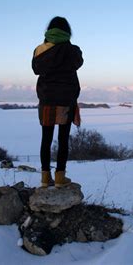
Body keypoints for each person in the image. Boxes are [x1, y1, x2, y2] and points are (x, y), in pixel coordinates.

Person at [32, 16, 83, 188]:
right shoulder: (73, 51)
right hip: (66, 101)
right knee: (63, 139)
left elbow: (35, 69)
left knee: (46, 139)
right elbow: (79, 62)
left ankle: (45, 178)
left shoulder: (40, 50)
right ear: (67, 31)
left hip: (46, 100)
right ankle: (60, 177)